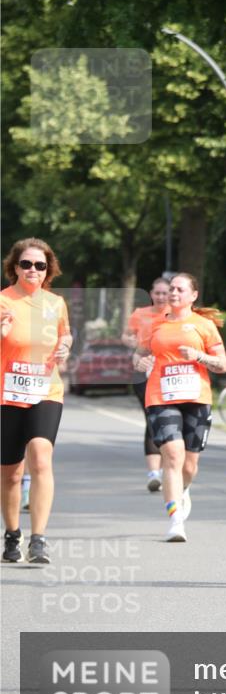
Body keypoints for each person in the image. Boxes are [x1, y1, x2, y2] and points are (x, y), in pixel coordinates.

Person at [134, 273, 226, 542]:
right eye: (171, 288)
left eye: (180, 289)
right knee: (172, 456)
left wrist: (198, 355)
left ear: (193, 295)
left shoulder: (204, 325)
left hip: (196, 397)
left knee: (189, 464)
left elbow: (222, 365)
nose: (173, 293)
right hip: (161, 396)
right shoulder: (154, 325)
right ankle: (175, 520)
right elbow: (138, 355)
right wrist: (139, 363)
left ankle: (184, 488)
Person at [1, 238, 72, 563]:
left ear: (48, 270)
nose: (33, 270)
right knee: (11, 473)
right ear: (15, 267)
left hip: (45, 390)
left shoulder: (56, 303)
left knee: (41, 457)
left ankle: (39, 539)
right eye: (26, 264)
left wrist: (65, 347)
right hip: (7, 393)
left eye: (40, 265)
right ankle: (13, 533)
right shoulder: (3, 302)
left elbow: (64, 335)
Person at [121, 277, 170, 492]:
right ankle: (153, 473)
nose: (161, 297)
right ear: (151, 294)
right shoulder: (140, 314)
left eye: (165, 293)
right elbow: (126, 335)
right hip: (144, 371)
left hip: (168, 373)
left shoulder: (176, 316)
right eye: (157, 293)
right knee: (152, 417)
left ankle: (170, 470)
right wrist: (133, 342)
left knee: (166, 419)